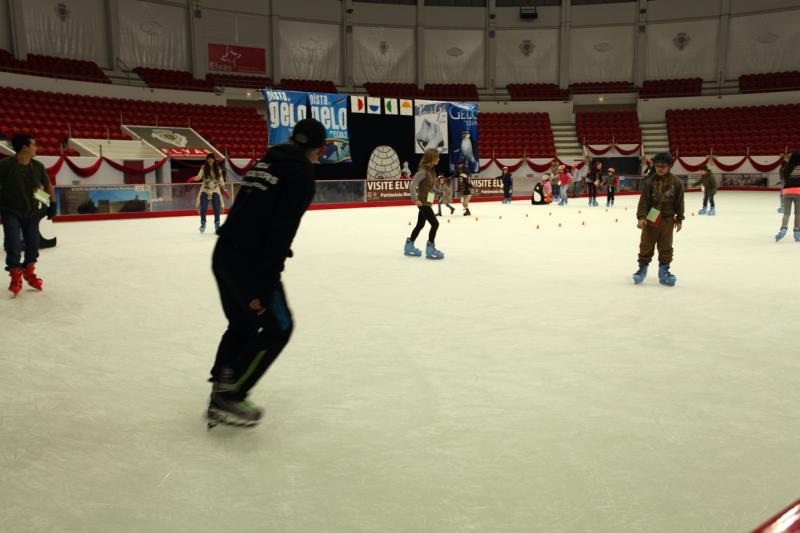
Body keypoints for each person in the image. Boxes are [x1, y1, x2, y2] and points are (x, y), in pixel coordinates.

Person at [206, 118, 327, 428]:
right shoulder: (300, 174)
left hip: (225, 254)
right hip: (250, 263)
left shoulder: (267, 161)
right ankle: (230, 395)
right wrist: (267, 280)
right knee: (279, 326)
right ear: (319, 150)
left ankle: (222, 383)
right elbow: (281, 230)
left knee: (243, 323)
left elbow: (250, 208)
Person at [0, 133, 56, 298]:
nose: (36, 148)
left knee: (33, 245)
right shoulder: (5, 165)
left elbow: (44, 186)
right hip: (10, 211)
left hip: (31, 211)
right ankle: (15, 276)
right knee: (13, 244)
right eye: (34, 145)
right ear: (24, 147)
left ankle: (28, 272)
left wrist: (51, 204)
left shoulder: (37, 166)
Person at [632, 152, 684, 286]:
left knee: (666, 245)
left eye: (663, 166)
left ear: (670, 166)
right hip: (651, 218)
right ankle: (642, 268)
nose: (660, 168)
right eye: (657, 166)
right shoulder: (650, 182)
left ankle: (664, 270)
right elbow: (644, 201)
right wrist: (641, 217)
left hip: (668, 219)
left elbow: (679, 202)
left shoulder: (676, 183)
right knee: (646, 244)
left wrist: (679, 219)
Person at [404, 149, 444, 259]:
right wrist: (415, 200)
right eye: (437, 157)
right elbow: (412, 186)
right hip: (422, 202)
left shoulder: (432, 171)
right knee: (435, 224)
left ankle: (409, 245)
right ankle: (430, 248)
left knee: (420, 225)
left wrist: (434, 198)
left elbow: (431, 188)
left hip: (427, 202)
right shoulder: (422, 171)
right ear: (432, 158)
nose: (439, 159)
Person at [189, 153, 227, 233]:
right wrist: (192, 179)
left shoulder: (218, 169)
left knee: (217, 208)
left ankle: (217, 224)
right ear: (207, 160)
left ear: (214, 160)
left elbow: (221, 181)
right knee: (203, 208)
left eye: (212, 158)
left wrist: (225, 191)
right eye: (209, 158)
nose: (210, 160)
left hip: (215, 190)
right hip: (205, 190)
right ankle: (203, 224)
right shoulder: (203, 168)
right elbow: (199, 177)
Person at [775, 150, 800, 242]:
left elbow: (784, 178)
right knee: (798, 213)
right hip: (798, 192)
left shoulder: (787, 167)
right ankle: (797, 232)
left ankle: (783, 229)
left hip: (787, 191)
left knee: (786, 213)